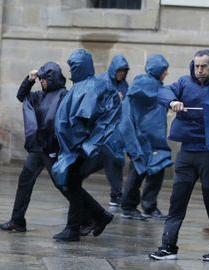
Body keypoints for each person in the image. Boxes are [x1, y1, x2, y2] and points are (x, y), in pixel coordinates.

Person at [149, 50, 209, 262]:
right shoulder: (184, 83)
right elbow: (163, 91)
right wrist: (172, 102)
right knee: (177, 201)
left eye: (204, 66)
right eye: (196, 66)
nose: (199, 70)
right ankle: (168, 246)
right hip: (187, 153)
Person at [51, 48, 121, 242]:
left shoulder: (88, 88)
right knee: (72, 183)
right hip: (80, 147)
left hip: (84, 148)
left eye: (73, 67)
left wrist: (80, 146)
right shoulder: (83, 86)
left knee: (71, 182)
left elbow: (83, 118)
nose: (70, 72)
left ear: (80, 67)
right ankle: (98, 216)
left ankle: (75, 227)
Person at [0, 62, 68, 232]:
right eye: (41, 79)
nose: (41, 82)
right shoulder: (38, 95)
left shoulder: (64, 95)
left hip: (52, 148)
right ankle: (17, 220)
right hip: (38, 148)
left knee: (64, 184)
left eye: (44, 79)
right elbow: (21, 96)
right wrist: (29, 80)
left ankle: (90, 217)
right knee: (25, 181)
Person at [118, 55, 173, 221]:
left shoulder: (154, 87)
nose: (167, 73)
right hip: (142, 138)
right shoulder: (145, 86)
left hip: (153, 138)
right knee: (138, 172)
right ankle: (129, 206)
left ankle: (147, 206)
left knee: (155, 171)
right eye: (164, 70)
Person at [96, 54, 129, 207]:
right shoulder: (102, 81)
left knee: (116, 162)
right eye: (120, 70)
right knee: (109, 161)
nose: (122, 73)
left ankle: (116, 195)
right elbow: (95, 103)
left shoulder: (123, 85)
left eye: (124, 71)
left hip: (116, 131)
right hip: (103, 130)